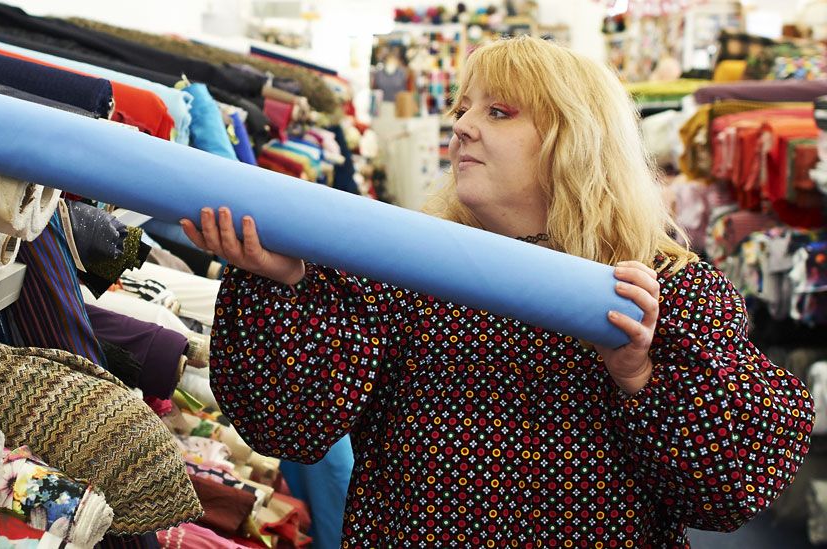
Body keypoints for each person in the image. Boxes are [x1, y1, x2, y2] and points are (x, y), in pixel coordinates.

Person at [180, 36, 815, 547]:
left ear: (573, 140)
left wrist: (638, 372)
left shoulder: (667, 288)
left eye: (498, 111)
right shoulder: (403, 270)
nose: (461, 128)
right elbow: (288, 426)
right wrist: (283, 285)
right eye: (462, 108)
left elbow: (733, 489)